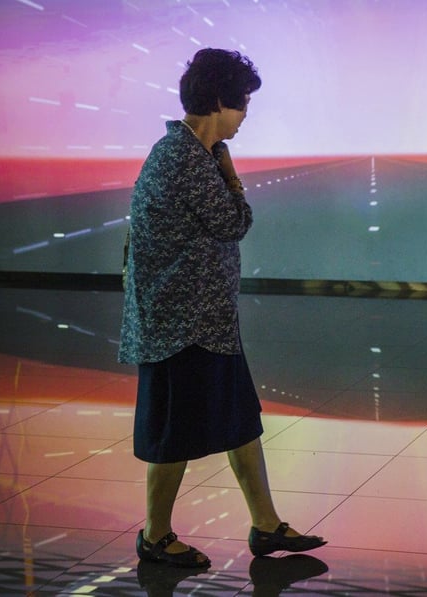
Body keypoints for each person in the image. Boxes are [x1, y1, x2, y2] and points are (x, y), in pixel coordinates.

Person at [119, 48, 326, 568]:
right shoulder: (184, 158)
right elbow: (234, 222)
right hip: (179, 325)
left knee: (240, 420)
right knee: (175, 433)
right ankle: (155, 535)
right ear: (218, 101)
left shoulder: (189, 153)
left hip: (206, 321)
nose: (245, 116)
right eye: (243, 105)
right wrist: (232, 176)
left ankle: (264, 524)